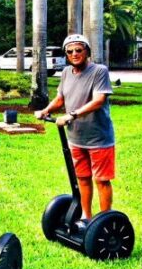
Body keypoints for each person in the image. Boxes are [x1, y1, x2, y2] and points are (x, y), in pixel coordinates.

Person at [35, 34, 116, 229]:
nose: (74, 54)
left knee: (101, 180)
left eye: (79, 50)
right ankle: (87, 218)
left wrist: (72, 115)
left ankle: (104, 222)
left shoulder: (99, 71)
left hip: (99, 138)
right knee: (83, 179)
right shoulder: (66, 73)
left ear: (87, 51)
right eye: (70, 51)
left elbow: (98, 100)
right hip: (76, 138)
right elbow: (61, 99)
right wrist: (47, 110)